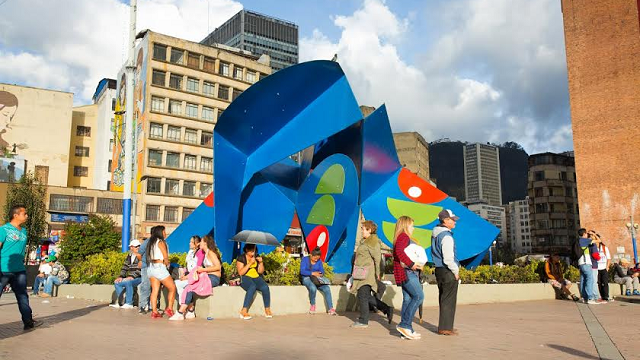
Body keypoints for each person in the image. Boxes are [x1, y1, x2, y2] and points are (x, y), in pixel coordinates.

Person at [0, 205, 42, 330]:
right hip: (3, 269)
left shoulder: (24, 231)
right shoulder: (4, 229)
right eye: (25, 213)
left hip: (19, 270)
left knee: (23, 296)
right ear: (16, 215)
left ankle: (28, 322)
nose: (27, 216)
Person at [170, 235, 222, 320]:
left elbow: (218, 267)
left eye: (201, 241)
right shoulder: (205, 253)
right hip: (207, 276)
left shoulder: (211, 253)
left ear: (205, 243)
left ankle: (181, 312)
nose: (199, 243)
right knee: (189, 287)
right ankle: (190, 311)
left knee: (190, 287)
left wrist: (203, 269)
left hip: (213, 278)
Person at [350, 220, 391, 328]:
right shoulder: (364, 241)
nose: (361, 231)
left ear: (369, 230)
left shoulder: (373, 242)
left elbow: (377, 259)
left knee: (362, 295)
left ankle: (363, 321)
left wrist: (378, 273)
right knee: (365, 296)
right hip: (360, 272)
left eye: (363, 229)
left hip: (367, 273)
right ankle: (386, 308)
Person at [393, 216, 424, 340]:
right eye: (412, 226)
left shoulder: (400, 237)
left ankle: (406, 330)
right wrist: (412, 264)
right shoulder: (403, 237)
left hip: (403, 273)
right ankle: (405, 325)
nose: (413, 228)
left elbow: (400, 253)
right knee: (419, 296)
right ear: (406, 225)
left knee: (407, 299)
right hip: (407, 273)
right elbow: (400, 252)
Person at [432, 209, 461, 336]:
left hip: (439, 269)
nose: (455, 222)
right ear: (445, 221)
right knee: (449, 299)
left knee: (443, 298)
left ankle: (445, 326)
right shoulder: (447, 236)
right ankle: (446, 328)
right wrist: (456, 271)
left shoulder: (436, 234)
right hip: (447, 270)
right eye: (452, 219)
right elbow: (448, 258)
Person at [146, 226, 177, 319]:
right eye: (164, 231)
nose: (165, 233)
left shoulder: (151, 243)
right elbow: (165, 257)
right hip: (160, 267)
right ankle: (169, 308)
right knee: (172, 288)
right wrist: (167, 264)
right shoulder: (161, 242)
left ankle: (154, 311)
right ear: (160, 232)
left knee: (155, 290)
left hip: (151, 267)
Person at [236, 243, 272, 320]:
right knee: (252, 287)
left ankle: (267, 309)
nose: (253, 252)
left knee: (265, 287)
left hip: (256, 277)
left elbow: (260, 271)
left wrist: (261, 263)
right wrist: (249, 263)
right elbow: (240, 272)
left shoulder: (256, 257)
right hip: (245, 277)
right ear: (246, 250)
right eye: (251, 251)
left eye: (254, 251)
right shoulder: (241, 258)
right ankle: (244, 310)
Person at [300, 247, 337, 316]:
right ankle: (313, 305)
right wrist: (312, 273)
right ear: (311, 255)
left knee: (327, 288)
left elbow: (322, 271)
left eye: (317, 258)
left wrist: (320, 274)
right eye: (315, 258)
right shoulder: (305, 260)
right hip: (307, 278)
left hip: (317, 279)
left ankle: (330, 308)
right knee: (313, 288)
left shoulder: (319, 261)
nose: (316, 260)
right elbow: (302, 271)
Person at [109, 240, 142, 309]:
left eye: (139, 246)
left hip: (140, 278)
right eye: (136, 247)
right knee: (117, 282)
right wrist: (121, 276)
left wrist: (132, 276)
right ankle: (122, 302)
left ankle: (129, 303)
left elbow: (141, 269)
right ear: (131, 247)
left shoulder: (142, 256)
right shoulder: (129, 256)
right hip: (130, 277)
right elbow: (124, 267)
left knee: (128, 282)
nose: (138, 248)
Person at [174, 236, 203, 302]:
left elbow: (198, 268)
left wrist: (187, 277)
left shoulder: (200, 253)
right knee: (174, 284)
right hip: (188, 275)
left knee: (178, 284)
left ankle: (184, 306)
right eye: (190, 242)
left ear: (198, 244)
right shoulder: (190, 252)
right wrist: (183, 272)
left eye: (192, 242)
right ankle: (184, 305)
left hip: (195, 277)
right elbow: (188, 266)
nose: (189, 243)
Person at [577, 228, 598, 304]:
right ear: (584, 234)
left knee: (583, 280)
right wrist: (594, 234)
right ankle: (590, 298)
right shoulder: (585, 240)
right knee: (590, 280)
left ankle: (584, 297)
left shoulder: (578, 241)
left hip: (581, 263)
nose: (587, 235)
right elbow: (599, 241)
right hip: (586, 263)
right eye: (586, 233)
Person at [137, 233, 152, 314]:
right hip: (146, 266)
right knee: (145, 285)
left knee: (154, 287)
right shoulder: (147, 242)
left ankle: (152, 306)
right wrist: (141, 261)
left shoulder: (161, 242)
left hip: (155, 267)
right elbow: (139, 253)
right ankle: (143, 305)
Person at [595, 237, 612, 302]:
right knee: (598, 283)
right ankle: (601, 296)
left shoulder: (604, 248)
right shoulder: (593, 248)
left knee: (605, 282)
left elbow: (608, 258)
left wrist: (607, 267)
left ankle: (606, 296)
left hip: (604, 267)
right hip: (597, 268)